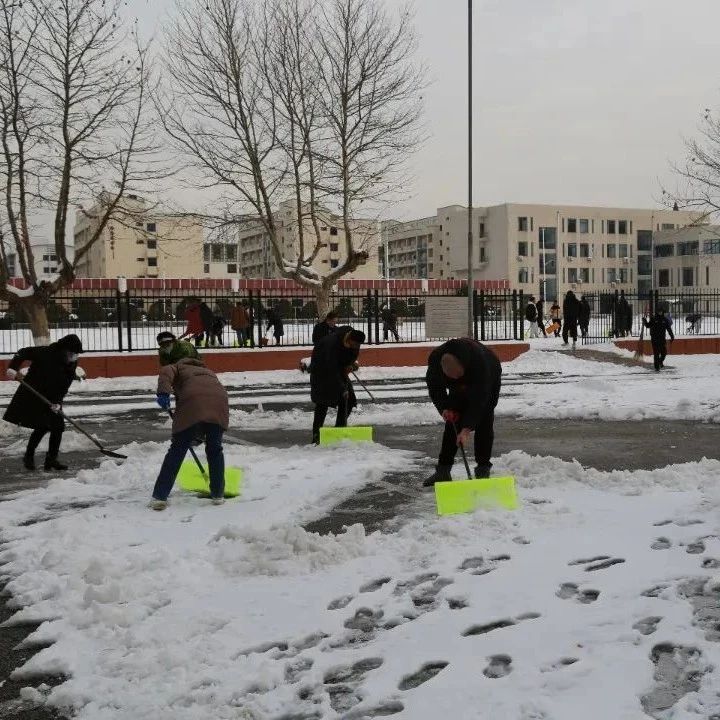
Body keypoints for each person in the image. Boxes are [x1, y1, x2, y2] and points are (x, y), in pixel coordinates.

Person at [150, 342, 229, 510]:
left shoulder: (176, 366)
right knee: (215, 450)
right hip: (219, 404)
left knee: (177, 450)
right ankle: (218, 494)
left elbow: (165, 372)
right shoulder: (207, 370)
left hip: (193, 404)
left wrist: (163, 393)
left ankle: (159, 496)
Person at [423, 338, 502, 486]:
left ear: (463, 367)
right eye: (452, 378)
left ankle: (483, 469)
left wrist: (466, 430)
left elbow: (480, 402)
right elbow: (435, 389)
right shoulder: (435, 363)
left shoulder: (480, 364)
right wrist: (444, 408)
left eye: (458, 376)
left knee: (484, 418)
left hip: (489, 377)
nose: (456, 380)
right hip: (465, 377)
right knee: (453, 421)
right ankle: (443, 472)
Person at [3, 334, 84, 471]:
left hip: (53, 397)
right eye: (71, 353)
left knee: (57, 427)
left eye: (75, 354)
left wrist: (57, 402)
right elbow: (21, 353)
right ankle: (29, 456)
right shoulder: (45, 353)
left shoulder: (71, 362)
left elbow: (65, 384)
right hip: (34, 394)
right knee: (43, 425)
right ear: (63, 349)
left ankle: (51, 460)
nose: (73, 356)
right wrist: (13, 368)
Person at [310, 326, 365, 444]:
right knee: (322, 402)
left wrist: (350, 364)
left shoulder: (354, 340)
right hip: (321, 371)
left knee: (348, 400)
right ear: (348, 339)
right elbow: (331, 368)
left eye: (358, 345)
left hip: (338, 369)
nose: (356, 347)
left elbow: (353, 355)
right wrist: (341, 388)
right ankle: (316, 436)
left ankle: (338, 431)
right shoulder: (331, 343)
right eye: (355, 344)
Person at [643, 308, 674, 372]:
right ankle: (657, 367)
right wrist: (645, 321)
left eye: (661, 311)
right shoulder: (654, 319)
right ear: (657, 312)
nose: (660, 313)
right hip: (654, 339)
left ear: (662, 312)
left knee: (664, 353)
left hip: (662, 339)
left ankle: (660, 362)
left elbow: (669, 329)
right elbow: (648, 326)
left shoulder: (665, 320)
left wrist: (672, 336)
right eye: (659, 311)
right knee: (656, 354)